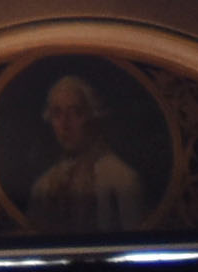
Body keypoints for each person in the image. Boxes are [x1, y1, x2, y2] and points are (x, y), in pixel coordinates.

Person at [24, 77, 148, 235]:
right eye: (57, 114)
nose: (65, 124)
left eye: (75, 112)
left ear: (92, 116)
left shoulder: (122, 179)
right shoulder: (43, 186)